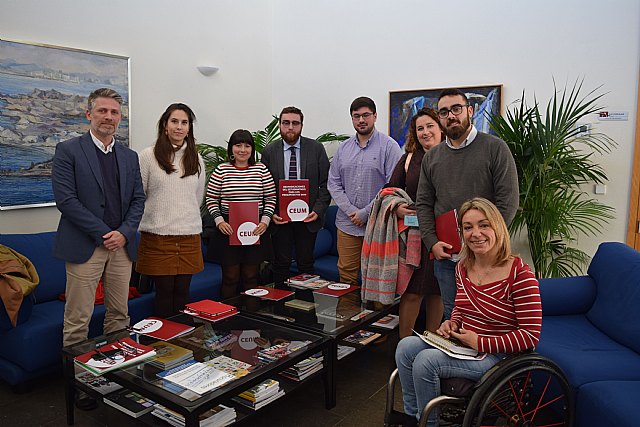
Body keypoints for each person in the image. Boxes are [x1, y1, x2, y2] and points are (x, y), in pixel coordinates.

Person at [395, 198, 542, 427]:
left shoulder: (520, 275)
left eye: (484, 225)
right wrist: (451, 324)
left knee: (426, 361)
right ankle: (415, 417)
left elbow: (530, 336)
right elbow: (461, 309)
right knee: (405, 347)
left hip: (499, 356)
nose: (476, 233)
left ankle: (429, 424)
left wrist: (481, 341)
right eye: (468, 227)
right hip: (466, 347)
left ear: (498, 227)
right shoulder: (464, 267)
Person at [52, 88, 144, 410]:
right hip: (85, 246)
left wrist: (124, 232)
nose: (109, 117)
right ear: (88, 114)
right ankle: (80, 384)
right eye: (102, 111)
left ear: (121, 117)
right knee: (79, 318)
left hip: (122, 247)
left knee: (119, 314)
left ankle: (115, 377)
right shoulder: (68, 150)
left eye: (114, 112)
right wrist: (107, 232)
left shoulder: (130, 157)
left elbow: (138, 201)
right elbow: (67, 201)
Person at [416, 88, 519, 320]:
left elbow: (508, 202)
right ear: (439, 118)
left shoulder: (495, 148)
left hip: (486, 257)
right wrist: (431, 242)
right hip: (447, 258)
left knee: (487, 319)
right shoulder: (432, 157)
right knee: (453, 319)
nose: (451, 116)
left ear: (469, 111)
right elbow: (423, 204)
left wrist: (483, 243)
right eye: (444, 112)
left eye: (456, 109)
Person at [136, 103, 205, 318]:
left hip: (188, 235)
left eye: (184, 122)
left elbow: (197, 197)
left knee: (183, 292)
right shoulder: (148, 156)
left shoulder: (196, 158)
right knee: (164, 293)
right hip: (158, 237)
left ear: (189, 128)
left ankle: (184, 342)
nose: (179, 127)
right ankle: (165, 346)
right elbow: (140, 195)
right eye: (174, 121)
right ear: (165, 125)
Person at [328, 96, 403, 285]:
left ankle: (374, 315)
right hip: (347, 225)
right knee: (346, 276)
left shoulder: (389, 147)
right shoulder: (343, 148)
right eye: (356, 116)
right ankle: (346, 315)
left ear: (375, 116)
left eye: (366, 115)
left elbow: (392, 186)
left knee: (377, 279)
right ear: (352, 119)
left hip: (379, 224)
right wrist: (352, 211)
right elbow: (333, 183)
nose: (361, 120)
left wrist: (365, 213)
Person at [387, 108, 445, 338]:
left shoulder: (453, 155)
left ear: (440, 127)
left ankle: (432, 348)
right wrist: (397, 207)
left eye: (430, 126)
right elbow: (388, 191)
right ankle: (404, 349)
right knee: (412, 293)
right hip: (415, 237)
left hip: (444, 235)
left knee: (437, 292)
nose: (425, 132)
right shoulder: (409, 158)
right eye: (420, 128)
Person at [261, 106, 331, 288]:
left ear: (301, 125)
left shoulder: (315, 148)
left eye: (295, 123)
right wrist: (272, 213)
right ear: (280, 125)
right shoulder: (269, 151)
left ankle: (305, 310)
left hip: (307, 218)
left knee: (306, 265)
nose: (290, 127)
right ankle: (281, 311)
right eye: (286, 123)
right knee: (281, 265)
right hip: (280, 219)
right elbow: (263, 187)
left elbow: (326, 184)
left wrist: (318, 210)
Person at [205, 129, 276, 299]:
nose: (242, 150)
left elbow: (271, 198)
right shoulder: (221, 170)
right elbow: (211, 199)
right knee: (230, 278)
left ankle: (252, 319)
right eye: (238, 145)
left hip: (255, 229)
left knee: (251, 277)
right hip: (228, 229)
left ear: (252, 149)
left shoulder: (261, 170)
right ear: (231, 148)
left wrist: (265, 222)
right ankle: (227, 321)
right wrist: (219, 221)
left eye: (247, 145)